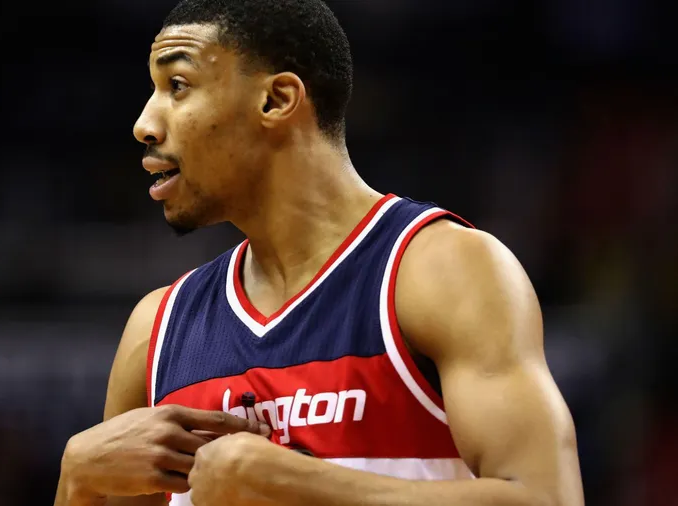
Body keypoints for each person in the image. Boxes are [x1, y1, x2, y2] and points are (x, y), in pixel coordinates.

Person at [54, 0, 584, 505]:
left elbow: (545, 497)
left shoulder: (441, 271)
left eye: (177, 86)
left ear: (277, 99)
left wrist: (293, 486)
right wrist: (78, 483)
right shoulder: (157, 330)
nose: (144, 124)